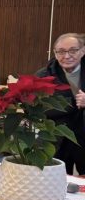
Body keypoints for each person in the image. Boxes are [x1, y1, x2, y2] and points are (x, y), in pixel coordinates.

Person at [36, 33, 85, 174]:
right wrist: (73, 103)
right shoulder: (44, 75)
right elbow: (38, 108)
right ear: (55, 53)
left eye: (73, 50)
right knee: (54, 177)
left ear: (82, 51)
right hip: (56, 137)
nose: (67, 56)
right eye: (61, 52)